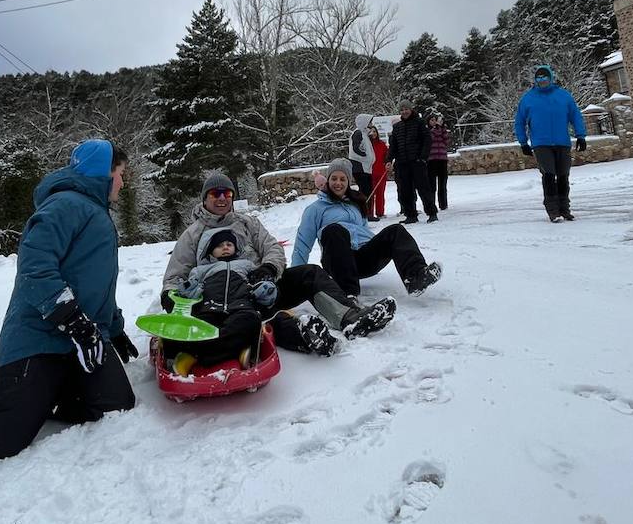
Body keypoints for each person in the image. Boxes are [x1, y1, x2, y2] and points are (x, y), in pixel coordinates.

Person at [0, 140, 139, 463]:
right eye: (121, 173)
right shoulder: (64, 206)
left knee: (115, 406)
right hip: (37, 341)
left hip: (80, 342)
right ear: (104, 173)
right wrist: (73, 320)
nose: (123, 182)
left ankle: (48, 397)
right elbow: (34, 266)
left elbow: (98, 286)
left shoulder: (98, 215)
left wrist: (114, 329)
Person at [161, 172, 375, 356]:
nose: (222, 199)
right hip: (221, 301)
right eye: (215, 194)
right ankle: (291, 333)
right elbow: (176, 274)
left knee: (309, 273)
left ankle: (349, 317)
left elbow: (273, 247)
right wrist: (170, 295)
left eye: (227, 194)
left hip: (262, 289)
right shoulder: (193, 234)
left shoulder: (247, 222)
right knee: (264, 322)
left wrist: (268, 269)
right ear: (204, 198)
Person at [294, 158, 443, 303]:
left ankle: (415, 276)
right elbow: (302, 244)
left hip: (363, 259)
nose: (338, 183)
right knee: (334, 230)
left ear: (348, 182)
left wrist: (376, 247)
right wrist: (296, 280)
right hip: (336, 262)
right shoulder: (315, 209)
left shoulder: (355, 205)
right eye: (334, 178)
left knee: (396, 230)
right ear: (328, 180)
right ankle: (347, 294)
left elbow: (363, 232)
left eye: (342, 179)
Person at [165, 227, 273, 375]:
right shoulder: (201, 270)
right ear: (210, 251)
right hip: (209, 308)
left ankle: (194, 355)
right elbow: (190, 290)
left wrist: (265, 289)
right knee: (198, 328)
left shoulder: (246, 265)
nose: (225, 247)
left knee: (250, 321)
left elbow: (257, 283)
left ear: (236, 247)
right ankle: (236, 351)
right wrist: (188, 291)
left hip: (240, 306)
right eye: (219, 245)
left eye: (229, 244)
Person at [514, 64, 588, 222]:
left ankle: (564, 208)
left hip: (562, 141)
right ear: (535, 80)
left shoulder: (563, 96)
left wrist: (581, 135)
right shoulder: (528, 99)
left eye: (545, 77)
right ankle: (553, 210)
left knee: (563, 176)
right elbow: (519, 122)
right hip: (541, 144)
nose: (542, 80)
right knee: (548, 175)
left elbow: (575, 116)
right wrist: (523, 142)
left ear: (551, 77)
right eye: (539, 78)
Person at [387, 102, 436, 224]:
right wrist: (388, 160)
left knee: (423, 189)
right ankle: (411, 215)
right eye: (402, 109)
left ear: (411, 109)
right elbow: (393, 146)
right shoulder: (397, 127)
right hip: (402, 163)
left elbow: (427, 140)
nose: (404, 111)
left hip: (417, 162)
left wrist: (423, 158)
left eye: (406, 109)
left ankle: (431, 213)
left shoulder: (419, 122)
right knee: (405, 190)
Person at [347, 114, 377, 218]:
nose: (371, 125)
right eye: (369, 122)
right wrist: (365, 156)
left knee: (368, 191)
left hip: (365, 167)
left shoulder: (364, 134)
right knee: (365, 191)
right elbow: (356, 148)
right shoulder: (358, 133)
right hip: (360, 167)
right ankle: (364, 214)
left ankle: (367, 213)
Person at [425, 112, 452, 213]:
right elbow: (428, 141)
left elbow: (446, 141)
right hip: (431, 159)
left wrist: (442, 129)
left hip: (442, 158)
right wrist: (433, 131)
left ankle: (443, 204)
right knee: (431, 184)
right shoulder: (427, 131)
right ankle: (432, 204)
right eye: (431, 120)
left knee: (443, 182)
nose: (433, 122)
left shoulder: (442, 129)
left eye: (434, 119)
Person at [367, 122, 389, 222]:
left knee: (380, 193)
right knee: (371, 194)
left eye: (375, 131)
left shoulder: (382, 144)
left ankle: (380, 212)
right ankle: (370, 213)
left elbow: (387, 156)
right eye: (371, 132)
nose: (373, 133)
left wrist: (388, 163)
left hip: (381, 172)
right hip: (370, 172)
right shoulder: (367, 145)